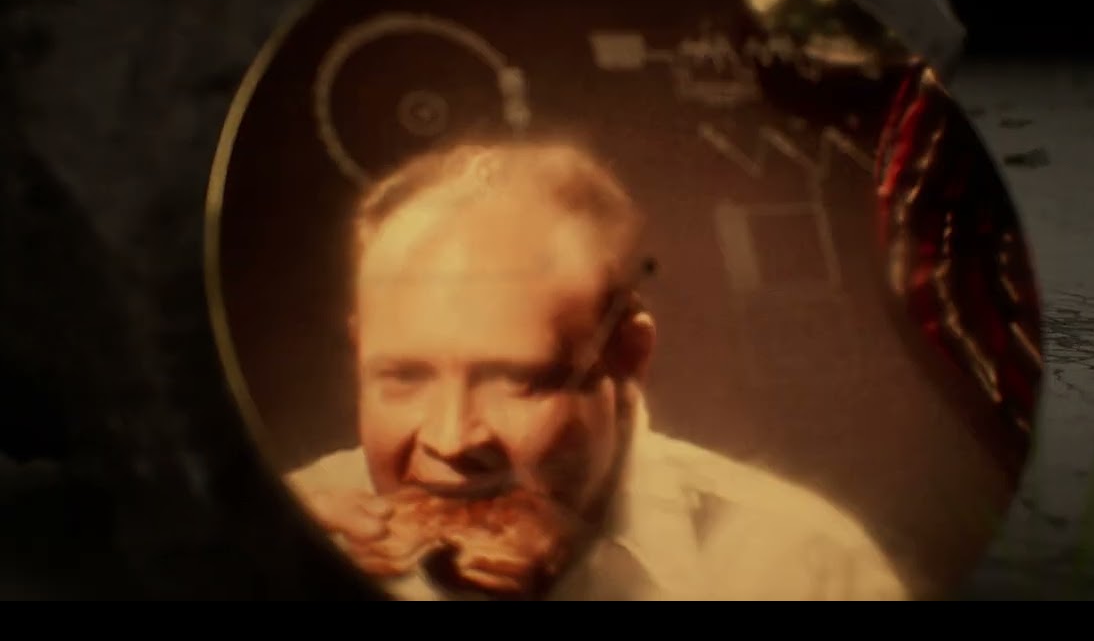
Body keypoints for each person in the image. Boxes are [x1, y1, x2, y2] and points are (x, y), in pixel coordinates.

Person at [284, 141, 909, 601]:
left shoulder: (803, 569)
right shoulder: (279, 535)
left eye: (517, 380)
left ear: (628, 356)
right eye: (404, 377)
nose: (450, 439)